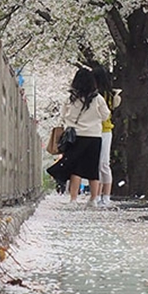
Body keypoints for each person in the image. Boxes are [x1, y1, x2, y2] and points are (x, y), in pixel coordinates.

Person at [57, 68, 111, 205]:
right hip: (94, 136)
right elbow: (106, 115)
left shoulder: (71, 98)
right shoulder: (98, 98)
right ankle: (94, 198)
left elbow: (63, 115)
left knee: (76, 169)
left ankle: (73, 199)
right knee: (93, 169)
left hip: (76, 137)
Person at [90, 62, 122, 206]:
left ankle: (105, 196)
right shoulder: (98, 95)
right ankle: (98, 196)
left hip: (103, 130)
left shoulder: (108, 95)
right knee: (99, 164)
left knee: (102, 164)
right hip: (98, 130)